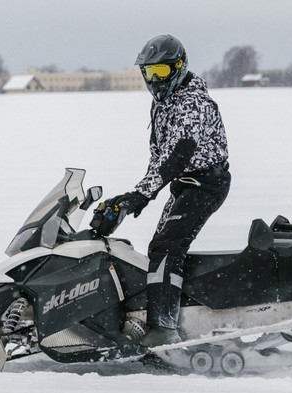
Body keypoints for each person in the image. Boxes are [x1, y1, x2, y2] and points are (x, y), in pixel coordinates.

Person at [91, 34, 231, 347]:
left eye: (160, 72)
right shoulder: (164, 104)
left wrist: (140, 195)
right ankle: (175, 311)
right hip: (186, 183)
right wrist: (131, 200)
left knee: (168, 247)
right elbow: (160, 160)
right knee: (160, 247)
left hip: (206, 182)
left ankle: (164, 329)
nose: (153, 80)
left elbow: (177, 155)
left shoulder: (191, 102)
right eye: (147, 73)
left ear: (178, 67)